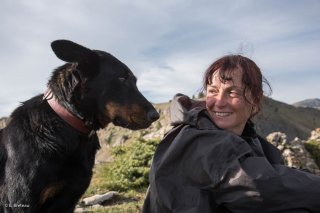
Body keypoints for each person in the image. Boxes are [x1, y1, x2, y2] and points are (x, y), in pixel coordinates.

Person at [142, 55, 320, 213]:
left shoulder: (247, 138)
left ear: (256, 101)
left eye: (232, 92)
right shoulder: (197, 138)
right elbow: (260, 186)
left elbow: (273, 171)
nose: (219, 102)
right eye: (212, 91)